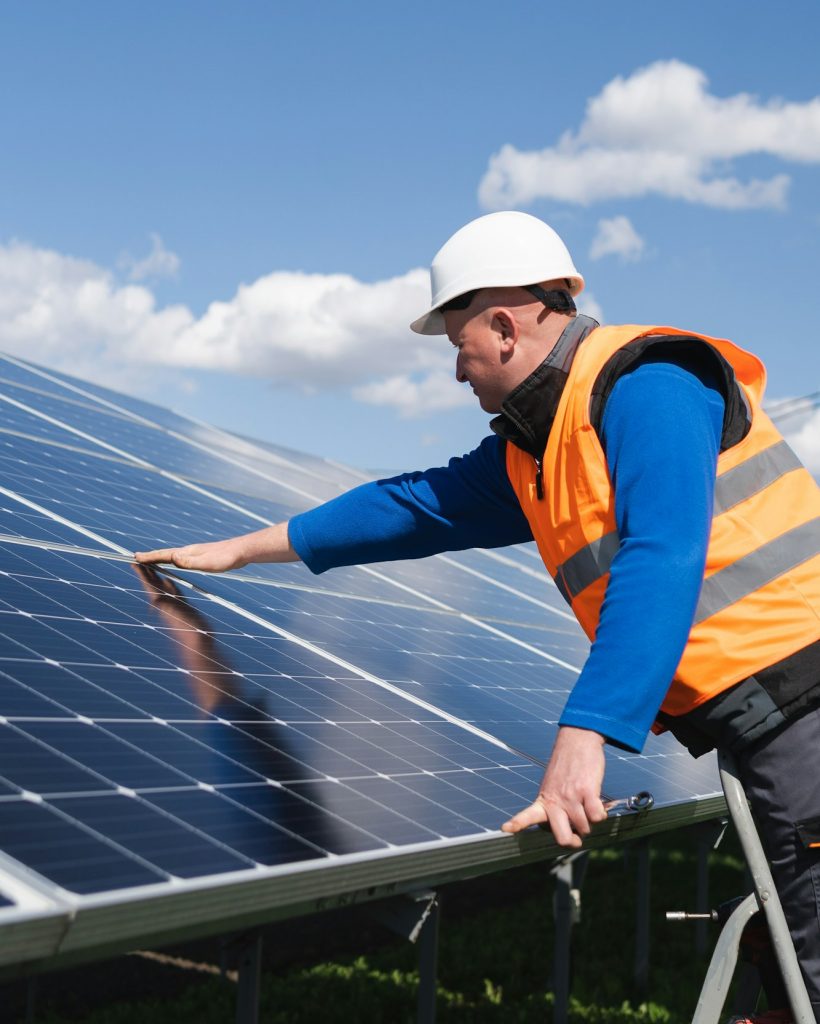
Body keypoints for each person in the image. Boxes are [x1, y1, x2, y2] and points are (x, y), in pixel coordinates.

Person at [136, 211, 820, 1019]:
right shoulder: (540, 446)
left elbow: (662, 555)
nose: (457, 373)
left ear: (502, 328)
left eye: (458, 346)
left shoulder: (650, 384)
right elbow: (415, 507)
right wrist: (244, 550)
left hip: (805, 711)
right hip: (771, 721)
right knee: (793, 952)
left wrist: (586, 735)